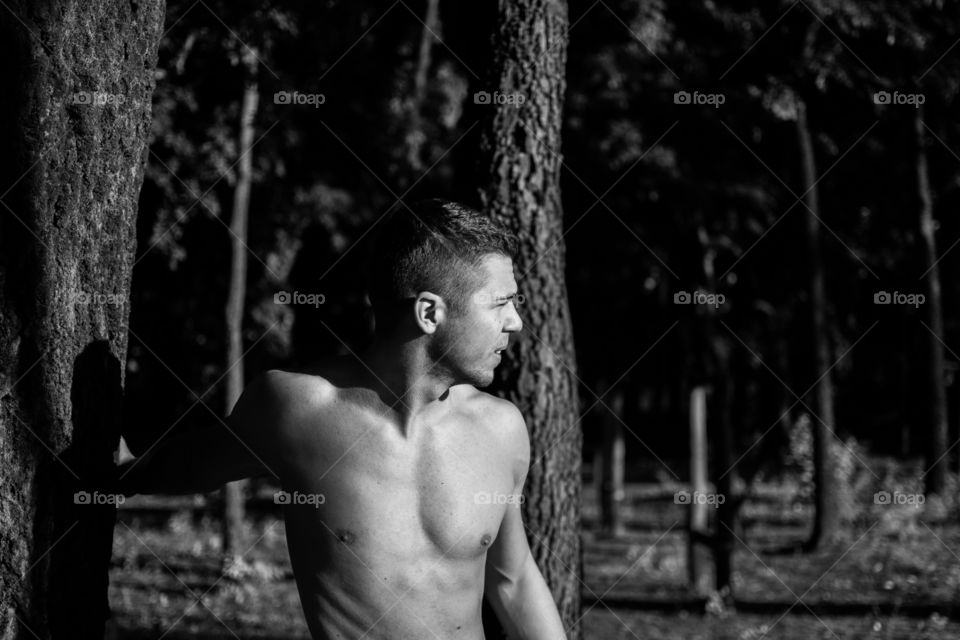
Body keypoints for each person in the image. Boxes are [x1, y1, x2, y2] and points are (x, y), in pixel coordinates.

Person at [115, 199, 567, 640]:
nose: (516, 322)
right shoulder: (299, 409)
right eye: (501, 303)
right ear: (430, 313)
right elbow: (195, 464)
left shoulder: (501, 430)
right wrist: (124, 472)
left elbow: (514, 581)